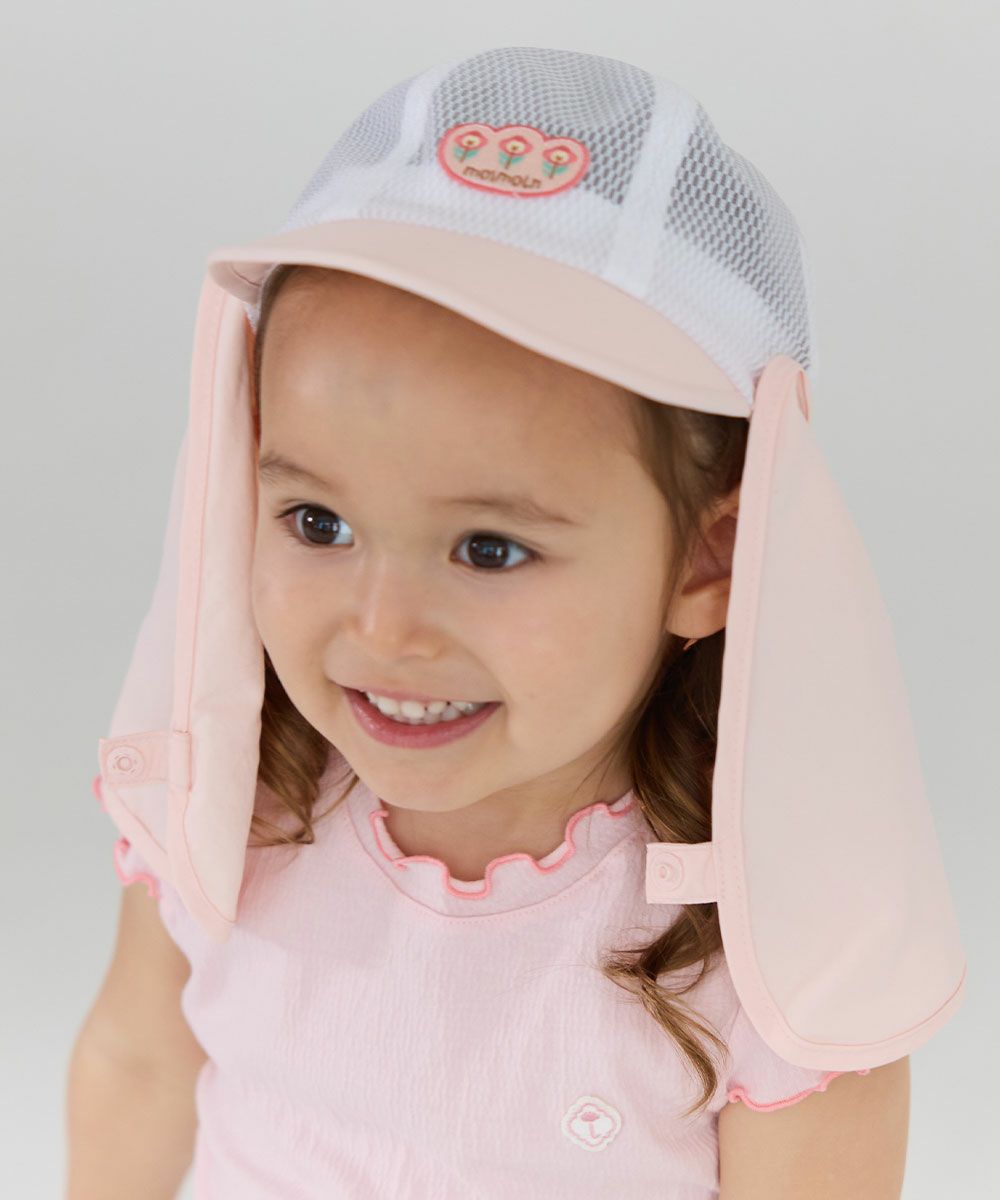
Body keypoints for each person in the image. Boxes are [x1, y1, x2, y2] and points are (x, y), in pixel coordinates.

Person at [68, 45, 961, 1200]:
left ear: (711, 558)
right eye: (318, 522)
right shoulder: (234, 808)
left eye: (489, 548)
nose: (384, 627)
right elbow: (137, 1063)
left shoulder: (769, 952)